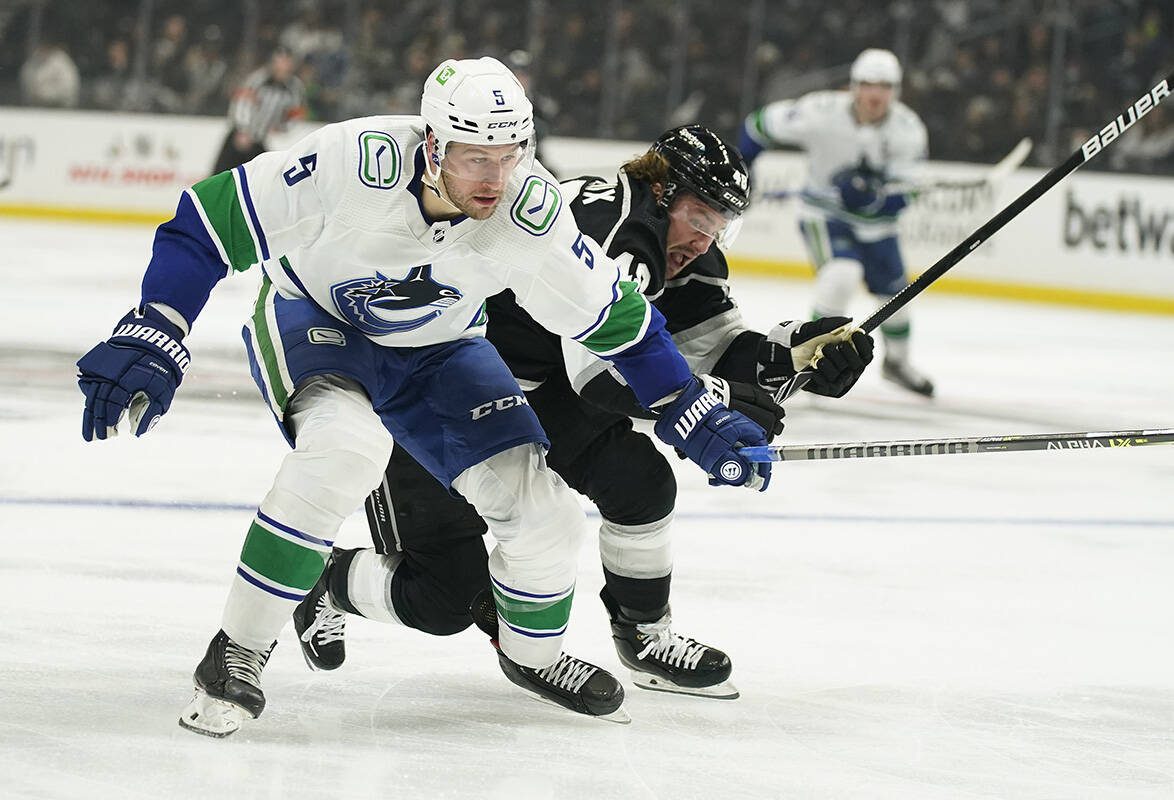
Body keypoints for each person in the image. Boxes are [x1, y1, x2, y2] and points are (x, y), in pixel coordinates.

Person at [75, 57, 772, 737]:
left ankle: (532, 657)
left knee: (548, 514)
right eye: (476, 158)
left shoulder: (531, 210)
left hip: (441, 349)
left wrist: (692, 410)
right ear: (432, 143)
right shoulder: (352, 159)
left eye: (511, 155)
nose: (497, 179)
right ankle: (236, 649)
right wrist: (156, 327)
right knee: (345, 452)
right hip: (316, 320)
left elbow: (619, 321)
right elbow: (207, 222)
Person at [291, 125, 873, 704]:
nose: (705, 240)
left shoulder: (665, 240)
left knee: (640, 484)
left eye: (722, 225)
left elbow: (708, 345)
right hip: (430, 386)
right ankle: (329, 582)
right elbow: (600, 376)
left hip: (530, 390)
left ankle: (643, 636)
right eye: (700, 217)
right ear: (663, 189)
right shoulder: (617, 231)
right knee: (443, 596)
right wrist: (710, 403)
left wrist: (791, 353)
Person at [739, 47, 935, 397]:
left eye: (885, 86)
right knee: (840, 276)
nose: (875, 94)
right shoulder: (820, 112)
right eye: (868, 84)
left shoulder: (908, 129)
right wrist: (746, 167)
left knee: (896, 295)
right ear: (854, 86)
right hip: (824, 217)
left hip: (877, 227)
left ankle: (897, 364)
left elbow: (911, 190)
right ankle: (814, 361)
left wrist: (877, 197)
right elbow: (759, 125)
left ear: (896, 91)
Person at [210, 45, 306, 175]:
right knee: (223, 173)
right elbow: (242, 103)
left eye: (287, 63)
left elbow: (296, 115)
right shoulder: (259, 79)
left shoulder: (294, 87)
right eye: (280, 62)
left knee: (259, 177)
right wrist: (243, 130)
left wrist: (282, 128)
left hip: (260, 139)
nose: (283, 67)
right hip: (241, 136)